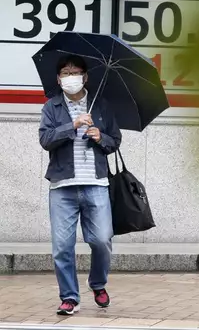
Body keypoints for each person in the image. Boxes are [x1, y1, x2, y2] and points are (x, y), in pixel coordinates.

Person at [39, 54, 121, 315]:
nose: (70, 76)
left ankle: (97, 284)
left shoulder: (101, 106)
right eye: (65, 72)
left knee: (101, 240)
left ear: (85, 77)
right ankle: (69, 297)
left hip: (96, 183)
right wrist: (71, 125)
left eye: (75, 72)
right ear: (58, 78)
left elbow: (115, 140)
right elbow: (45, 140)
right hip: (62, 186)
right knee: (62, 246)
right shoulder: (51, 107)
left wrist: (101, 137)